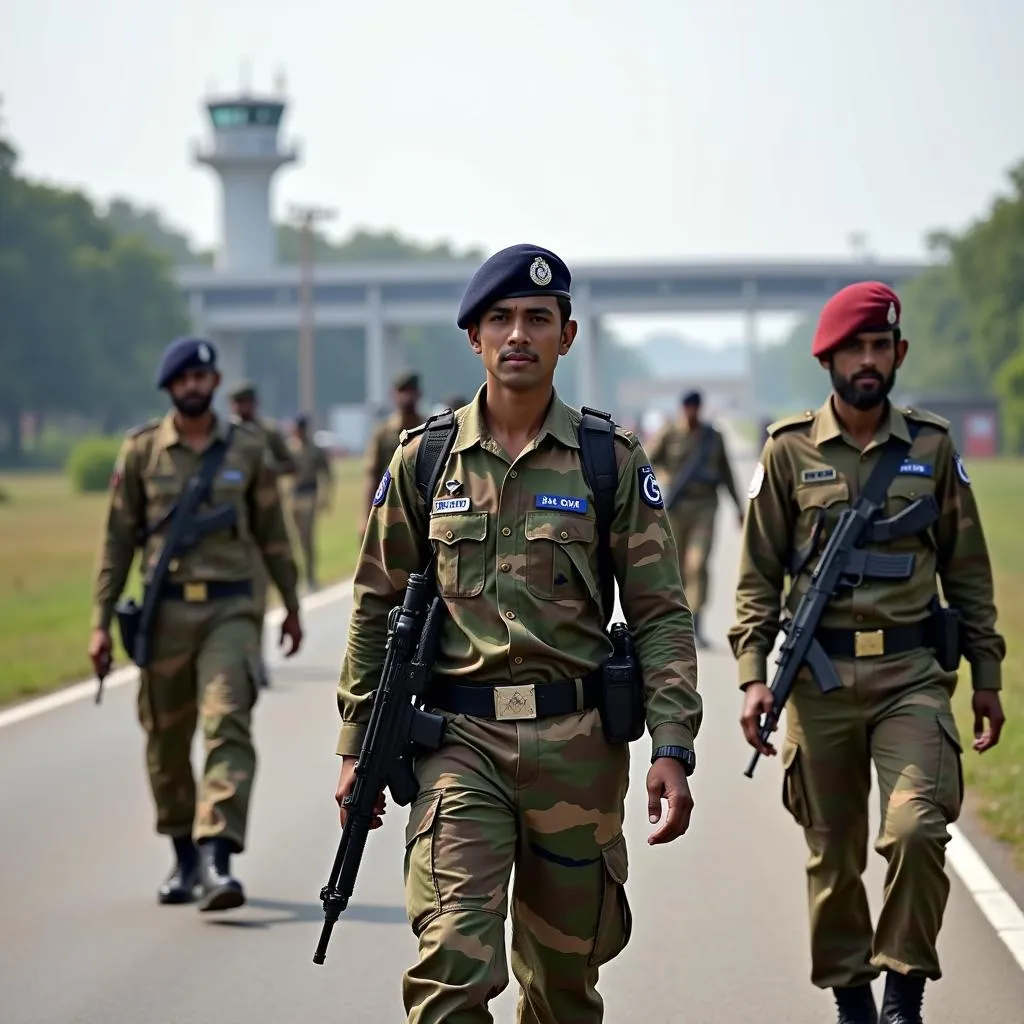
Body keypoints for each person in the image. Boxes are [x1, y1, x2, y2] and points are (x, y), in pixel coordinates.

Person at [334, 243, 702, 1023]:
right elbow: (376, 605)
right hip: (458, 748)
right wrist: (353, 744)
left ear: (567, 336)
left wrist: (672, 745)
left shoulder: (609, 460)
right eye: (500, 319)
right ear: (474, 337)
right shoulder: (424, 461)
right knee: (452, 972)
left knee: (563, 990)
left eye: (539, 318)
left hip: (577, 751)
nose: (518, 335)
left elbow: (661, 612)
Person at [728, 282, 1007, 1024]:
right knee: (833, 859)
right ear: (829, 358)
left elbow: (969, 571)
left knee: (917, 830)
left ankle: (902, 998)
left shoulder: (932, 448)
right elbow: (757, 578)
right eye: (854, 347)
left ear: (899, 354)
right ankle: (852, 1000)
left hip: (911, 677)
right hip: (817, 684)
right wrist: (754, 678)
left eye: (881, 345)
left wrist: (987, 674)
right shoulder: (787, 452)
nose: (869, 359)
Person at [88, 337, 304, 912]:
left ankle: (217, 857)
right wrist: (99, 623)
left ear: (212, 385)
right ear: (169, 387)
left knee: (227, 720)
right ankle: (184, 854)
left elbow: (273, 534)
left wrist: (291, 604)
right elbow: (116, 544)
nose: (193, 387)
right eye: (183, 380)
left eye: (202, 378)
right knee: (165, 738)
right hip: (163, 616)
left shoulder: (248, 449)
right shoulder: (140, 453)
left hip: (231, 610)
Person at [648, 388, 743, 646]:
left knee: (697, 565)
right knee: (675, 568)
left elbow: (727, 473)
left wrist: (739, 508)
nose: (691, 413)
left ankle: (697, 624)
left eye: (695, 409)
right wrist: (662, 483)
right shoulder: (669, 433)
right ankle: (675, 626)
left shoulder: (713, 437)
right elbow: (645, 462)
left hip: (705, 507)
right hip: (676, 509)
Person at [229, 380, 296, 686]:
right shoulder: (226, 436)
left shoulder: (267, 434)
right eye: (237, 403)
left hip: (265, 521)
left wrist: (267, 473)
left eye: (246, 402)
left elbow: (289, 464)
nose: (241, 408)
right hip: (234, 530)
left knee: (257, 596)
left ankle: (256, 661)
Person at [359, 371, 424, 537]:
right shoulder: (383, 433)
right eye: (402, 391)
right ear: (393, 395)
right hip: (389, 509)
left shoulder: (429, 429)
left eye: (410, 391)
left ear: (418, 394)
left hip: (422, 510)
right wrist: (365, 518)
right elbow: (372, 476)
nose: (407, 397)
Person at [286, 412, 333, 591]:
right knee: (293, 539)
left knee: (307, 538)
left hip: (309, 495)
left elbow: (326, 473)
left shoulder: (314, 450)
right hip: (293, 496)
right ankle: (295, 578)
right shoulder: (290, 448)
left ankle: (310, 577)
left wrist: (325, 497)